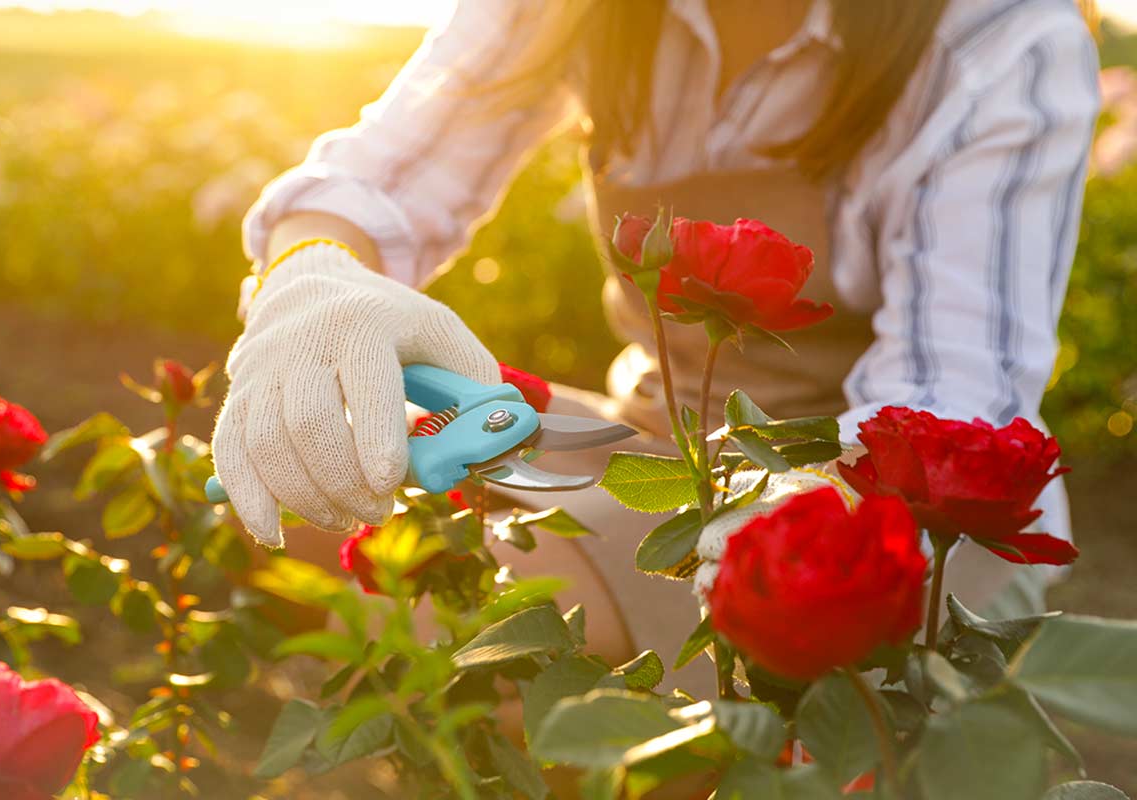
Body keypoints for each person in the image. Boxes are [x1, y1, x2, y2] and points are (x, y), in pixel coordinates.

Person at [213, 0, 1101, 692]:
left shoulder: (997, 34)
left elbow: (951, 403)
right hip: (662, 452)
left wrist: (772, 526)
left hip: (891, 514)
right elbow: (387, 174)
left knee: (479, 627)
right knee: (305, 497)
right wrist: (315, 274)